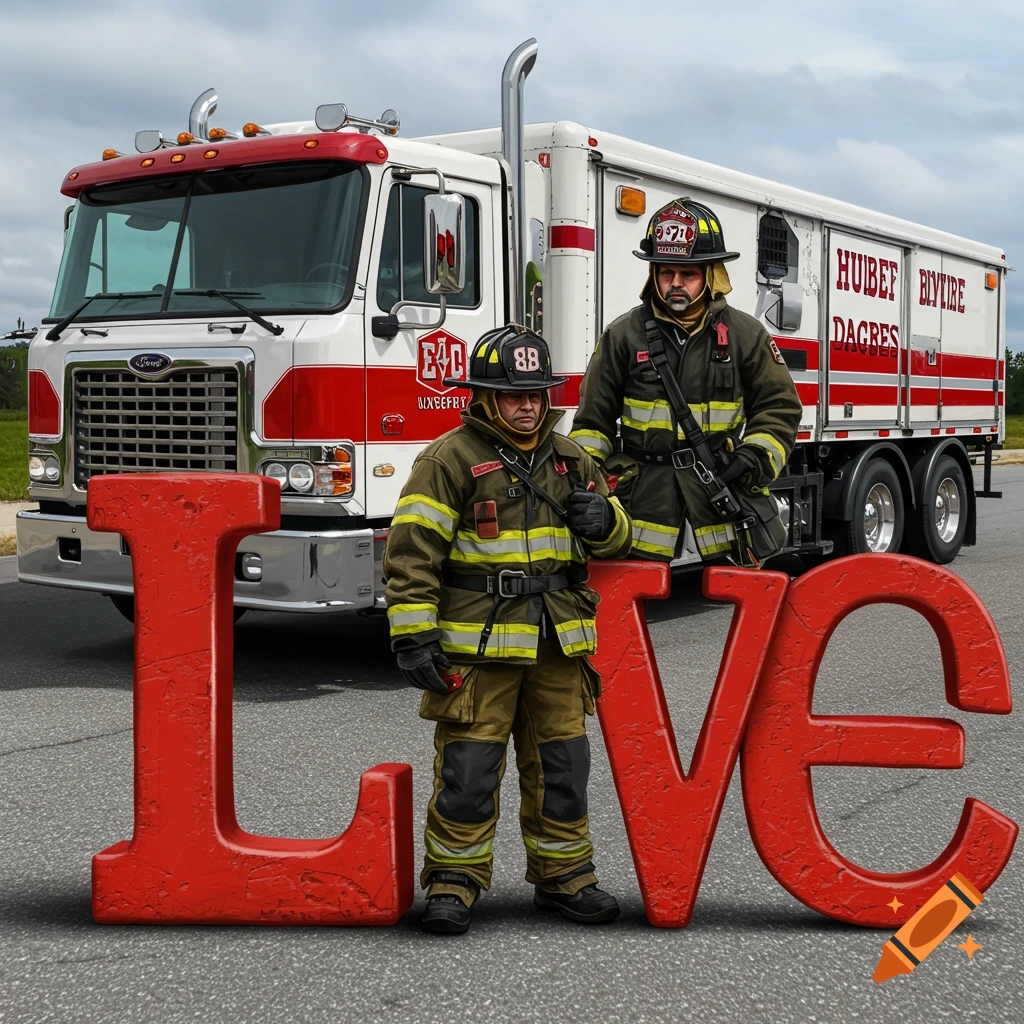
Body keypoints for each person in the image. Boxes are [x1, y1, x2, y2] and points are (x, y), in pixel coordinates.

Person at [383, 324, 632, 935]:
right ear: (484, 397)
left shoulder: (574, 461)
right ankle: (453, 881)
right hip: (480, 647)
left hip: (557, 643)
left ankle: (566, 876)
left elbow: (623, 540)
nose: (527, 405)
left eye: (537, 393)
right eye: (512, 394)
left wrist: (606, 519)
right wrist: (412, 634)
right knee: (468, 770)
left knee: (563, 768)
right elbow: (411, 553)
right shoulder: (449, 459)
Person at [570, 197, 802, 564]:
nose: (675, 284)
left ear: (710, 275)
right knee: (632, 598)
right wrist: (581, 485)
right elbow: (591, 424)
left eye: (688, 274)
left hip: (721, 493)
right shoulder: (623, 335)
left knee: (738, 599)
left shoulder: (745, 335)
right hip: (642, 498)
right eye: (665, 273)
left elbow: (779, 408)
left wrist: (752, 458)